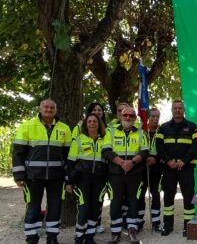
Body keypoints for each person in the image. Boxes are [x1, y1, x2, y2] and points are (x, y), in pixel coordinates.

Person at [12, 99, 72, 244]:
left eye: (52, 107)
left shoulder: (64, 128)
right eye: (46, 107)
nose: (49, 109)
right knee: (33, 208)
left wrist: (68, 176)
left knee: (55, 208)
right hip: (33, 176)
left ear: (56, 110)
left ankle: (52, 238)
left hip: (56, 177)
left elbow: (69, 156)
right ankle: (32, 238)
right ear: (40, 108)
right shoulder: (28, 126)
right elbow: (18, 152)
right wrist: (19, 174)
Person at [102, 107, 149, 244]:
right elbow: (105, 151)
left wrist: (132, 162)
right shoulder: (110, 131)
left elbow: (145, 152)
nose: (128, 118)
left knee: (134, 201)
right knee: (115, 202)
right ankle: (115, 232)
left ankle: (132, 230)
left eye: (131, 116)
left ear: (135, 118)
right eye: (125, 115)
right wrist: (121, 162)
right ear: (121, 117)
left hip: (134, 173)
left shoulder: (141, 133)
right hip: (116, 173)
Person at [155, 100, 197, 237]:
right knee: (168, 196)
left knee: (188, 196)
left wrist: (184, 161)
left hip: (186, 168)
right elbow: (159, 146)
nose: (177, 110)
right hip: (169, 168)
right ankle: (167, 226)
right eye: (175, 108)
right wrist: (169, 161)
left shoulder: (192, 127)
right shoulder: (163, 128)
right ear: (171, 110)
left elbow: (196, 146)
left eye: (180, 108)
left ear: (183, 110)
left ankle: (189, 226)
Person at [65, 113, 107, 244]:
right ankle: (79, 237)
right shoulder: (78, 140)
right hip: (83, 179)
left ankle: (89, 237)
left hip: (100, 180)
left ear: (99, 124)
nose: (92, 123)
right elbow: (71, 162)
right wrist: (69, 182)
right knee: (83, 209)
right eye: (89, 121)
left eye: (95, 121)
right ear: (85, 124)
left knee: (95, 209)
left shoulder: (106, 140)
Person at [137, 108, 163, 232]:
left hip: (156, 169)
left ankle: (156, 222)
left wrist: (156, 159)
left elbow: (167, 150)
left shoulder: (163, 131)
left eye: (157, 116)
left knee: (156, 195)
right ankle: (139, 221)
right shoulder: (141, 131)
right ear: (148, 117)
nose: (155, 119)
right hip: (142, 169)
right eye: (153, 116)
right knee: (140, 195)